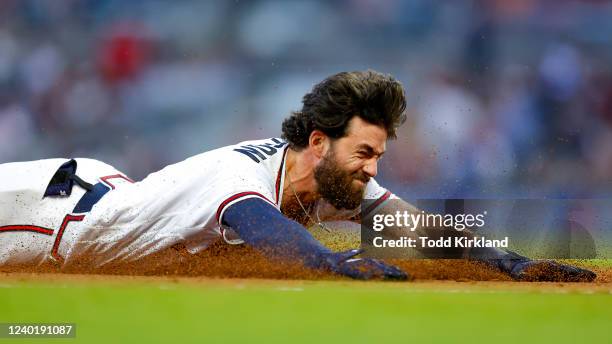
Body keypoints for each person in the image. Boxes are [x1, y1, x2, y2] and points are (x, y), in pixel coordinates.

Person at [0, 71, 596, 282]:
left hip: (98, 196)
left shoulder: (332, 183)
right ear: (319, 142)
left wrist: (510, 260)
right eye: (364, 151)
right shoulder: (243, 177)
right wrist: (332, 263)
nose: (374, 168)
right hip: (45, 215)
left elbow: (422, 229)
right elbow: (263, 229)